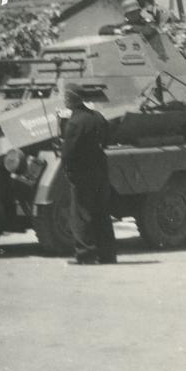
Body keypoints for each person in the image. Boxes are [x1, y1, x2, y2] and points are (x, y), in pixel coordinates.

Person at [60, 83, 116, 265]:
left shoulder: (74, 122)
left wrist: (67, 170)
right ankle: (108, 255)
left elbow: (68, 152)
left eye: (65, 97)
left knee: (81, 214)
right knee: (102, 213)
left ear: (71, 99)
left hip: (81, 173)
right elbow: (108, 138)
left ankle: (86, 254)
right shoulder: (97, 117)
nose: (64, 100)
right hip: (100, 169)